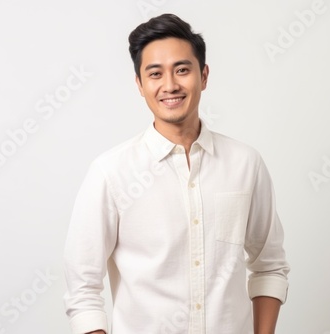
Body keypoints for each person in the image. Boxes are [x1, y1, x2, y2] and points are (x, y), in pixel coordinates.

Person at [63, 13, 290, 334]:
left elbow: (269, 266)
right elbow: (82, 291)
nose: (170, 85)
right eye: (155, 74)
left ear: (204, 75)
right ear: (140, 84)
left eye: (182, 70)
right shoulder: (110, 172)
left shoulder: (245, 163)